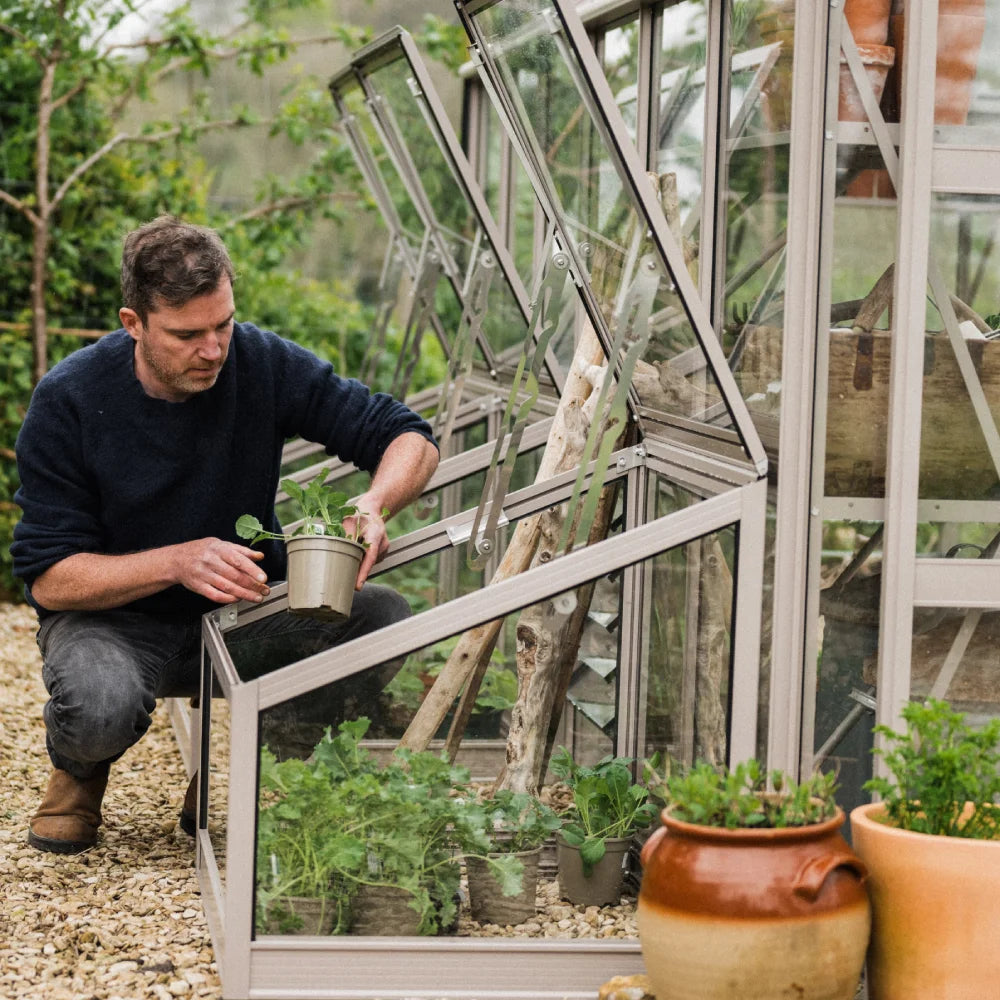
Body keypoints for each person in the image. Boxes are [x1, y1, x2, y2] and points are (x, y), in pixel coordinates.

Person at [11, 215, 439, 855]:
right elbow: (51, 577)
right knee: (99, 707)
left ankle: (245, 774)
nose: (213, 350)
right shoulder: (70, 398)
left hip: (244, 613)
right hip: (112, 621)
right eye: (187, 335)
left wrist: (376, 502)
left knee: (380, 617)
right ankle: (80, 770)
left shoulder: (260, 361)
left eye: (223, 325)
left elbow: (408, 435)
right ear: (134, 324)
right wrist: (178, 561)